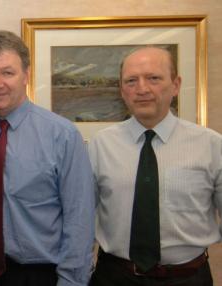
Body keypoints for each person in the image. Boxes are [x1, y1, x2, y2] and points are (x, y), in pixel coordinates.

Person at [0, 30, 95, 286]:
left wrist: (72, 281)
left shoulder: (62, 135)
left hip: (38, 275)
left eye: (7, 72)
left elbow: (79, 218)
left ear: (26, 75)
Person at [88, 46, 221, 286]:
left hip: (188, 278)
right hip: (114, 277)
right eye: (131, 80)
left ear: (176, 84)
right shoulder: (100, 145)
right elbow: (83, 218)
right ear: (121, 90)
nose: (142, 89)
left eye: (154, 78)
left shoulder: (211, 145)